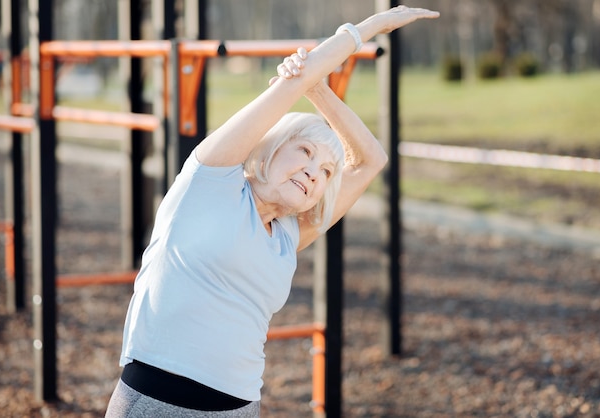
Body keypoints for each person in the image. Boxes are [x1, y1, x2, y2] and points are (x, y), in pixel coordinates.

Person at [105, 5, 439, 418]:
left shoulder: (288, 236)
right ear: (269, 149)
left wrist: (318, 91)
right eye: (304, 151)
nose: (313, 172)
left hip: (240, 408)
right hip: (158, 402)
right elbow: (290, 83)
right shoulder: (209, 183)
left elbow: (370, 160)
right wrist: (370, 28)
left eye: (326, 171)